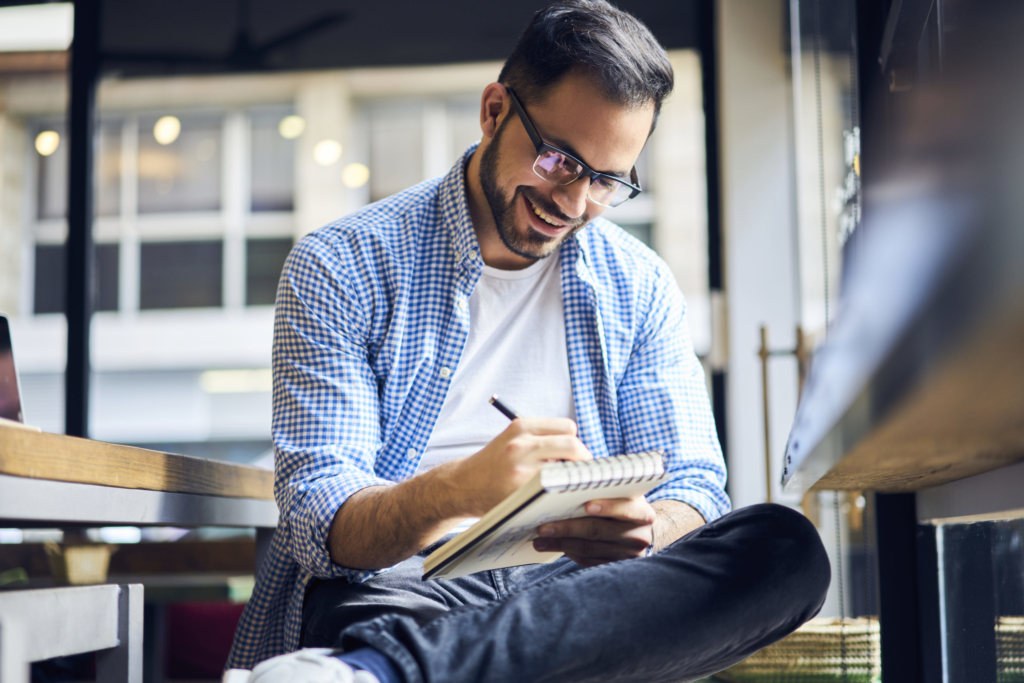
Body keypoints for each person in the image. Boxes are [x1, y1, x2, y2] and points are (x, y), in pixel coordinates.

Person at [228, 2, 830, 681]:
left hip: (572, 598)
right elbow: (318, 519)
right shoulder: (342, 264)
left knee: (786, 550)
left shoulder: (640, 285)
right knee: (449, 624)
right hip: (404, 593)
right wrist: (458, 489)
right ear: (493, 112)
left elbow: (695, 485)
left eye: (607, 181)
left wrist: (647, 529)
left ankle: (379, 673)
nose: (574, 203)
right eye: (559, 160)